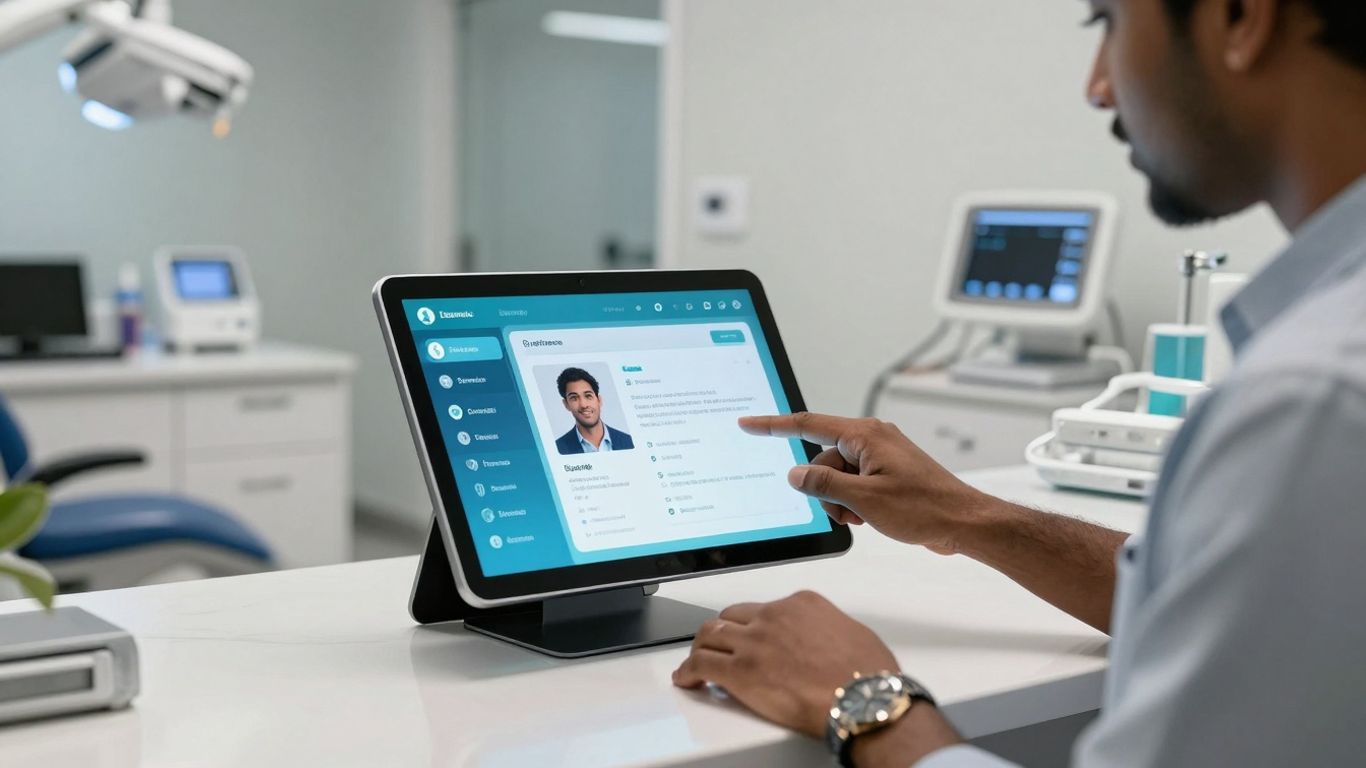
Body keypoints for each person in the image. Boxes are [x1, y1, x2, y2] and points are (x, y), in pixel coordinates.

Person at [672, 1, 1366, 765]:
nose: (1098, 86)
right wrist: (962, 514)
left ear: (1241, 18)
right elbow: (1235, 609)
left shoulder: (1316, 398)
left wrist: (866, 696)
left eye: (1108, 23)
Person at [553, 367, 635, 455]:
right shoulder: (558, 448)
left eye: (588, 396)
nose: (583, 405)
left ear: (599, 400)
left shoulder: (629, 441)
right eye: (574, 398)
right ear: (566, 404)